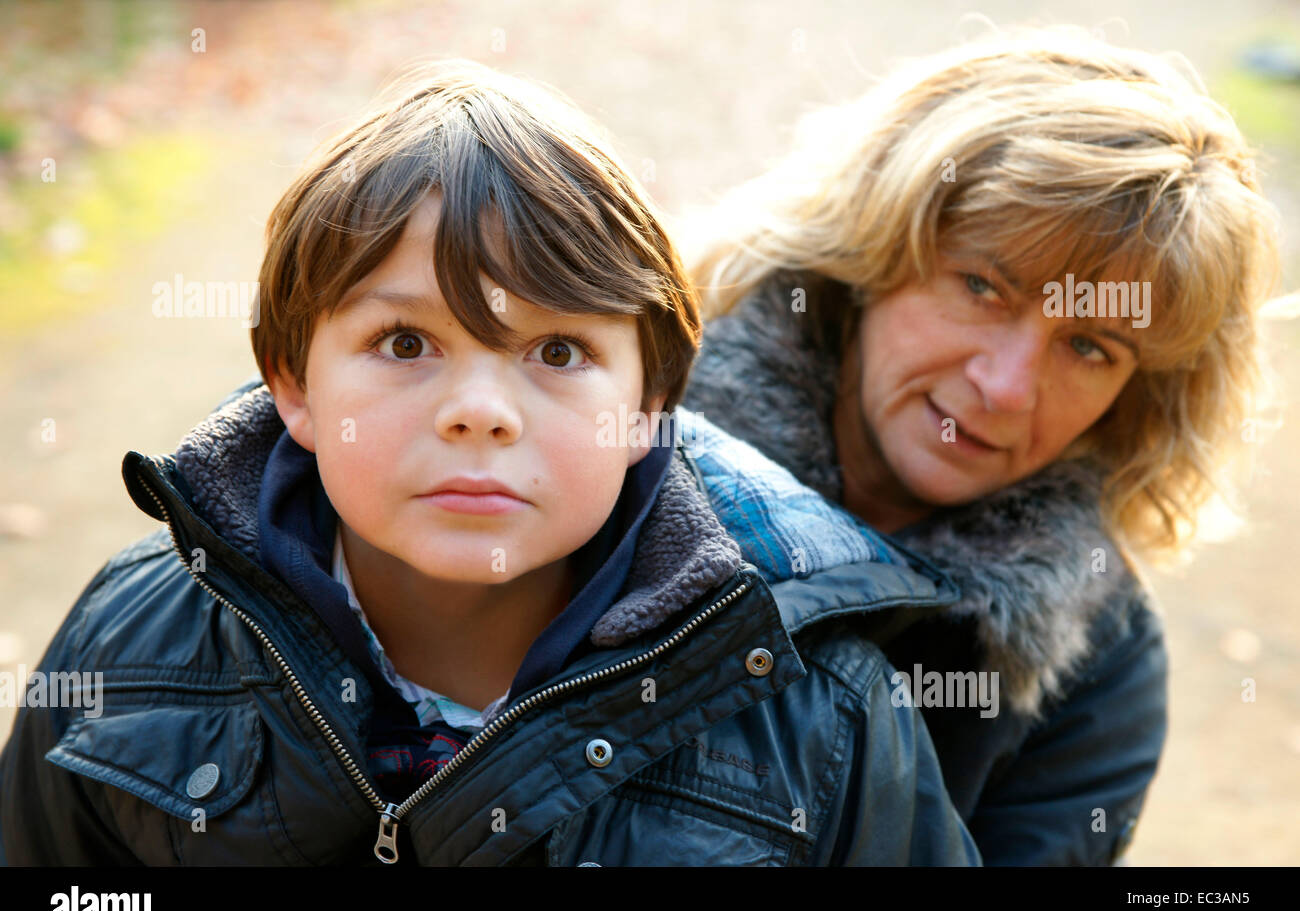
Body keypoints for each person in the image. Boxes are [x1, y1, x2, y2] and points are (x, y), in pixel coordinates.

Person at [0, 60, 979, 866]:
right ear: (293, 382)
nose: (478, 412)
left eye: (556, 352)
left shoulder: (820, 712)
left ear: (647, 408)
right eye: (404, 343)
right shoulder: (132, 640)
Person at [682, 26, 1285, 865]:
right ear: (873, 246)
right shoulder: (621, 439)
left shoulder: (1101, 666)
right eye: (981, 286)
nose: (1006, 386)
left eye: (1089, 347)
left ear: (1136, 399)